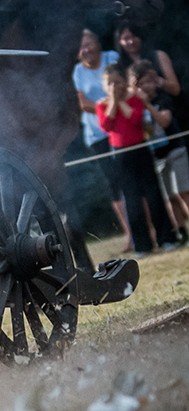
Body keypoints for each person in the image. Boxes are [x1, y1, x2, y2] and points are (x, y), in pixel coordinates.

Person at [96, 63, 177, 256]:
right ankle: (142, 245)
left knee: (153, 195)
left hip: (140, 150)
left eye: (118, 81)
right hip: (120, 155)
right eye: (110, 83)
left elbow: (135, 120)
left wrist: (121, 100)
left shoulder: (135, 99)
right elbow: (106, 126)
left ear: (124, 82)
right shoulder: (102, 104)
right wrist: (113, 101)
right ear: (104, 85)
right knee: (131, 201)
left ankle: (166, 238)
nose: (114, 86)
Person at [72, 29, 132, 250]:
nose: (86, 50)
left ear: (98, 42)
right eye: (81, 47)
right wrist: (111, 104)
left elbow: (126, 87)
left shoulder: (112, 58)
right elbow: (82, 104)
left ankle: (148, 229)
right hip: (97, 135)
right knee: (114, 185)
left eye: (89, 43)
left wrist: (105, 106)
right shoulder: (77, 72)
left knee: (133, 180)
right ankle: (130, 234)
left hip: (124, 129)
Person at [129, 59, 189, 244]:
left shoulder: (162, 99)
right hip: (156, 155)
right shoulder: (134, 104)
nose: (147, 86)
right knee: (169, 197)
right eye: (142, 83)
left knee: (184, 192)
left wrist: (147, 105)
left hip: (175, 150)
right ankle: (181, 233)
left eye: (150, 81)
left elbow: (164, 122)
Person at [115, 20, 180, 97]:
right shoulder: (119, 66)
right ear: (120, 42)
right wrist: (132, 88)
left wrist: (157, 80)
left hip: (165, 105)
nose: (131, 41)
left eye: (134, 36)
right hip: (138, 107)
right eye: (126, 38)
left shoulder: (158, 56)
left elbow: (176, 89)